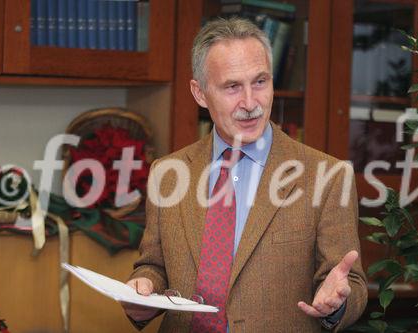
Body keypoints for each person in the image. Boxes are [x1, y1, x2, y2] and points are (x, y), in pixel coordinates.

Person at [121, 17, 367, 332]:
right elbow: (154, 266)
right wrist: (143, 290)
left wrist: (338, 304)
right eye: (232, 87)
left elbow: (351, 283)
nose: (250, 103)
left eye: (260, 82)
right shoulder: (167, 174)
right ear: (200, 93)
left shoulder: (329, 177)